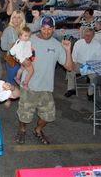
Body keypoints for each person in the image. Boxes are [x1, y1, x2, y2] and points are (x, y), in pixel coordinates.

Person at [15, 16, 74, 145]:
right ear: (40, 28)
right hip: (28, 85)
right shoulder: (29, 40)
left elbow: (69, 67)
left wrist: (68, 50)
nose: (46, 31)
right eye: (43, 28)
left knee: (48, 115)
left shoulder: (57, 46)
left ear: (54, 29)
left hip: (46, 88)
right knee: (24, 114)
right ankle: (22, 129)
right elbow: (13, 53)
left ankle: (38, 129)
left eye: (49, 29)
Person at [64, 28, 101, 101]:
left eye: (89, 36)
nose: (87, 37)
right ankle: (71, 89)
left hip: (91, 65)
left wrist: (86, 68)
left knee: (94, 76)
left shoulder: (97, 45)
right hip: (79, 64)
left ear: (93, 36)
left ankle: (90, 93)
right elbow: (74, 58)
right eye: (86, 35)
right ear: (83, 35)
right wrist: (71, 66)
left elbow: (98, 60)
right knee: (70, 69)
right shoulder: (78, 43)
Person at [1, 10, 26, 85]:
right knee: (11, 81)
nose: (16, 20)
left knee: (24, 80)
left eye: (19, 17)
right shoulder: (7, 30)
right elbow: (3, 46)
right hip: (12, 59)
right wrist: (11, 46)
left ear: (22, 19)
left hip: (24, 58)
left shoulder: (26, 30)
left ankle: (23, 95)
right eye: (14, 17)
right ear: (11, 18)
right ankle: (10, 95)